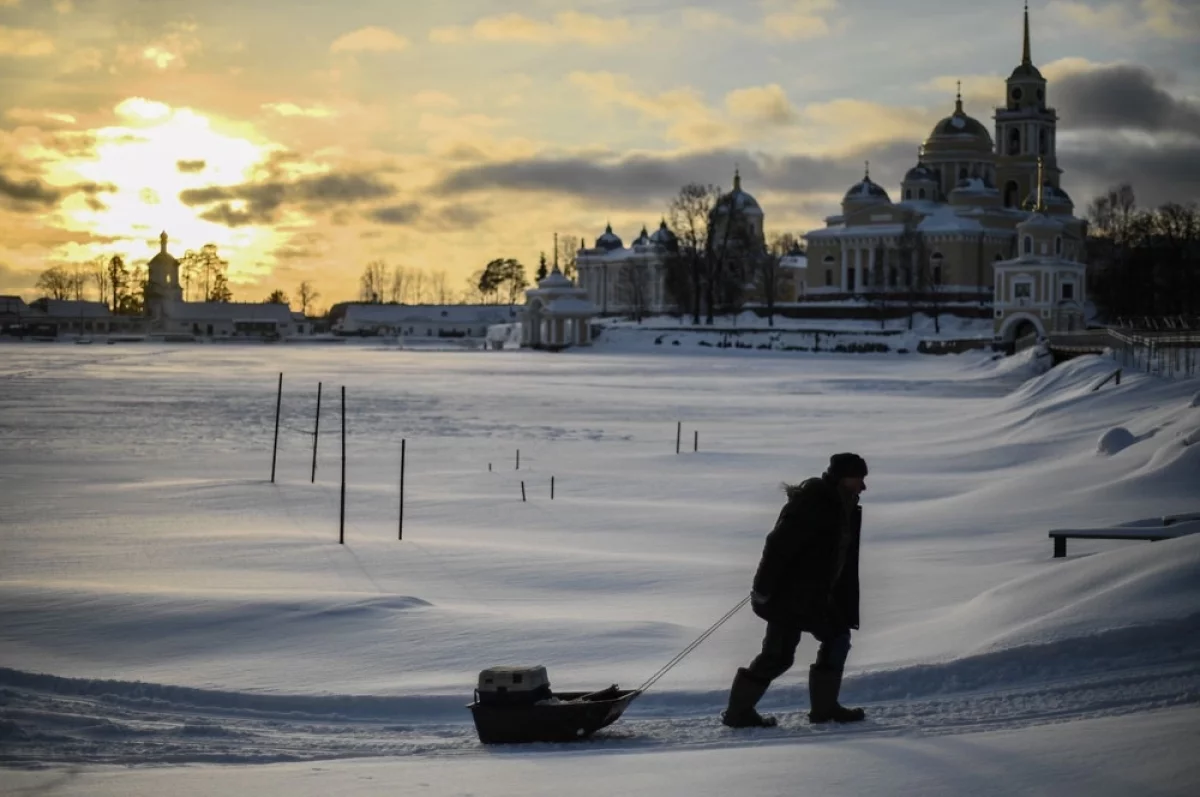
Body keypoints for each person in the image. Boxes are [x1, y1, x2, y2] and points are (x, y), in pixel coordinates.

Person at [721, 452, 869, 728]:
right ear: (843, 477)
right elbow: (777, 546)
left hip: (812, 596)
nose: (863, 486)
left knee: (823, 641)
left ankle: (745, 712)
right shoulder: (814, 502)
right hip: (793, 597)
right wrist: (763, 589)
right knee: (793, 651)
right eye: (858, 478)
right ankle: (745, 712)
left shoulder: (840, 503)